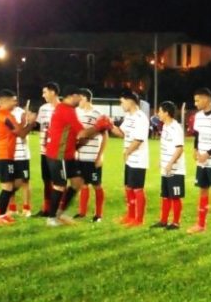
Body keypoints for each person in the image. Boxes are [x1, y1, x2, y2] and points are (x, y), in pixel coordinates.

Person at [44, 86, 110, 226]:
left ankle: (59, 213)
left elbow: (78, 135)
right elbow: (83, 133)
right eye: (78, 97)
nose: (79, 100)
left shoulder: (67, 109)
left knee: (78, 182)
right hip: (59, 155)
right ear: (71, 96)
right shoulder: (66, 110)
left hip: (68, 155)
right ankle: (51, 218)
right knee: (59, 186)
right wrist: (99, 126)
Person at [187, 87, 211, 236]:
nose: (195, 103)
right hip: (201, 161)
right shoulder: (198, 116)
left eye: (197, 100)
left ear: (206, 99)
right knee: (202, 190)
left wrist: (208, 154)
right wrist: (196, 149)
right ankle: (200, 224)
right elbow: (197, 135)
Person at [0, 89, 33, 225]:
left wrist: (23, 121)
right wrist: (31, 123)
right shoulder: (5, 115)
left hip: (2, 154)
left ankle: (0, 210)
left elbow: (15, 130)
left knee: (15, 183)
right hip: (4, 154)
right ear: (5, 101)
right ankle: (0, 213)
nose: (16, 102)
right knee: (8, 186)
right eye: (13, 100)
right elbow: (21, 134)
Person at [109, 90, 150, 227]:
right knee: (128, 187)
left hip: (138, 159)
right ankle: (130, 215)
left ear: (130, 101)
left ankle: (139, 219)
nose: (121, 105)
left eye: (122, 102)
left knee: (137, 189)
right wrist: (109, 126)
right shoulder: (129, 116)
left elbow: (139, 140)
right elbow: (122, 133)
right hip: (130, 159)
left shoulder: (141, 118)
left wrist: (127, 152)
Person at [74, 88, 107, 222]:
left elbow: (105, 136)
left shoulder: (98, 114)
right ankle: (82, 212)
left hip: (93, 157)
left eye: (79, 99)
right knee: (83, 184)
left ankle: (98, 215)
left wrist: (100, 156)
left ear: (86, 99)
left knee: (96, 185)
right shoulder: (77, 113)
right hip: (80, 156)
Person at [151, 101, 185, 230]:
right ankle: (163, 220)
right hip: (166, 168)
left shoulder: (176, 128)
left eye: (159, 111)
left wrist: (170, 163)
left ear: (166, 113)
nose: (158, 113)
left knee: (175, 196)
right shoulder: (165, 126)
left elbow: (179, 148)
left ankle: (176, 223)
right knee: (165, 195)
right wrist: (162, 160)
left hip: (175, 169)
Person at [33, 82, 61, 216]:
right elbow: (38, 126)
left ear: (53, 92)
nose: (43, 95)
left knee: (59, 181)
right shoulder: (43, 108)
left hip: (58, 151)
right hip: (44, 150)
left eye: (45, 92)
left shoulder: (64, 109)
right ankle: (46, 208)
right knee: (46, 180)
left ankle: (59, 209)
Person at [8, 102, 32, 217]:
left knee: (24, 181)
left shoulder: (21, 113)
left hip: (21, 154)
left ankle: (26, 208)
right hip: (8, 153)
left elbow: (23, 132)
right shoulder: (2, 113)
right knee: (10, 180)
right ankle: (12, 208)